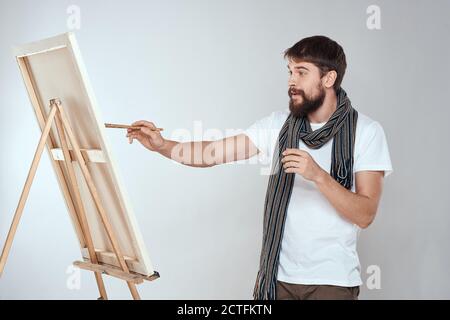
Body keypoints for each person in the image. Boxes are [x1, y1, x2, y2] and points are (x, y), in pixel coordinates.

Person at [126, 35, 393, 300]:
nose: (291, 81)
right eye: (290, 72)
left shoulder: (366, 132)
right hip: (277, 281)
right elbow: (212, 153)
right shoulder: (278, 126)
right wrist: (161, 145)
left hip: (333, 283)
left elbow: (365, 214)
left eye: (302, 72)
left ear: (329, 78)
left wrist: (319, 176)